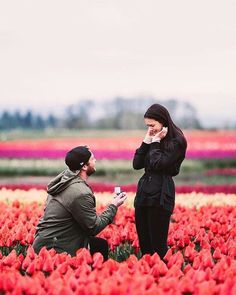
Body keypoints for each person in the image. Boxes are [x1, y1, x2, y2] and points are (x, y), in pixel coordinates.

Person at [32, 146, 127, 260]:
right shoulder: (80, 193)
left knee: (99, 244)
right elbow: (93, 228)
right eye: (92, 159)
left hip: (45, 242)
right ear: (84, 167)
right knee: (98, 247)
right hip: (56, 249)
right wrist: (113, 205)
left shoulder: (63, 181)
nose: (95, 160)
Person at [133, 103, 187, 259]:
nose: (150, 129)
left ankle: (164, 279)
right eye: (147, 126)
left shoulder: (178, 141)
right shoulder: (151, 138)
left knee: (158, 245)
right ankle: (148, 277)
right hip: (144, 193)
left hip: (161, 194)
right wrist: (146, 141)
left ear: (162, 121)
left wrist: (156, 142)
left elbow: (159, 164)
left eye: (152, 125)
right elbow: (137, 164)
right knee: (145, 244)